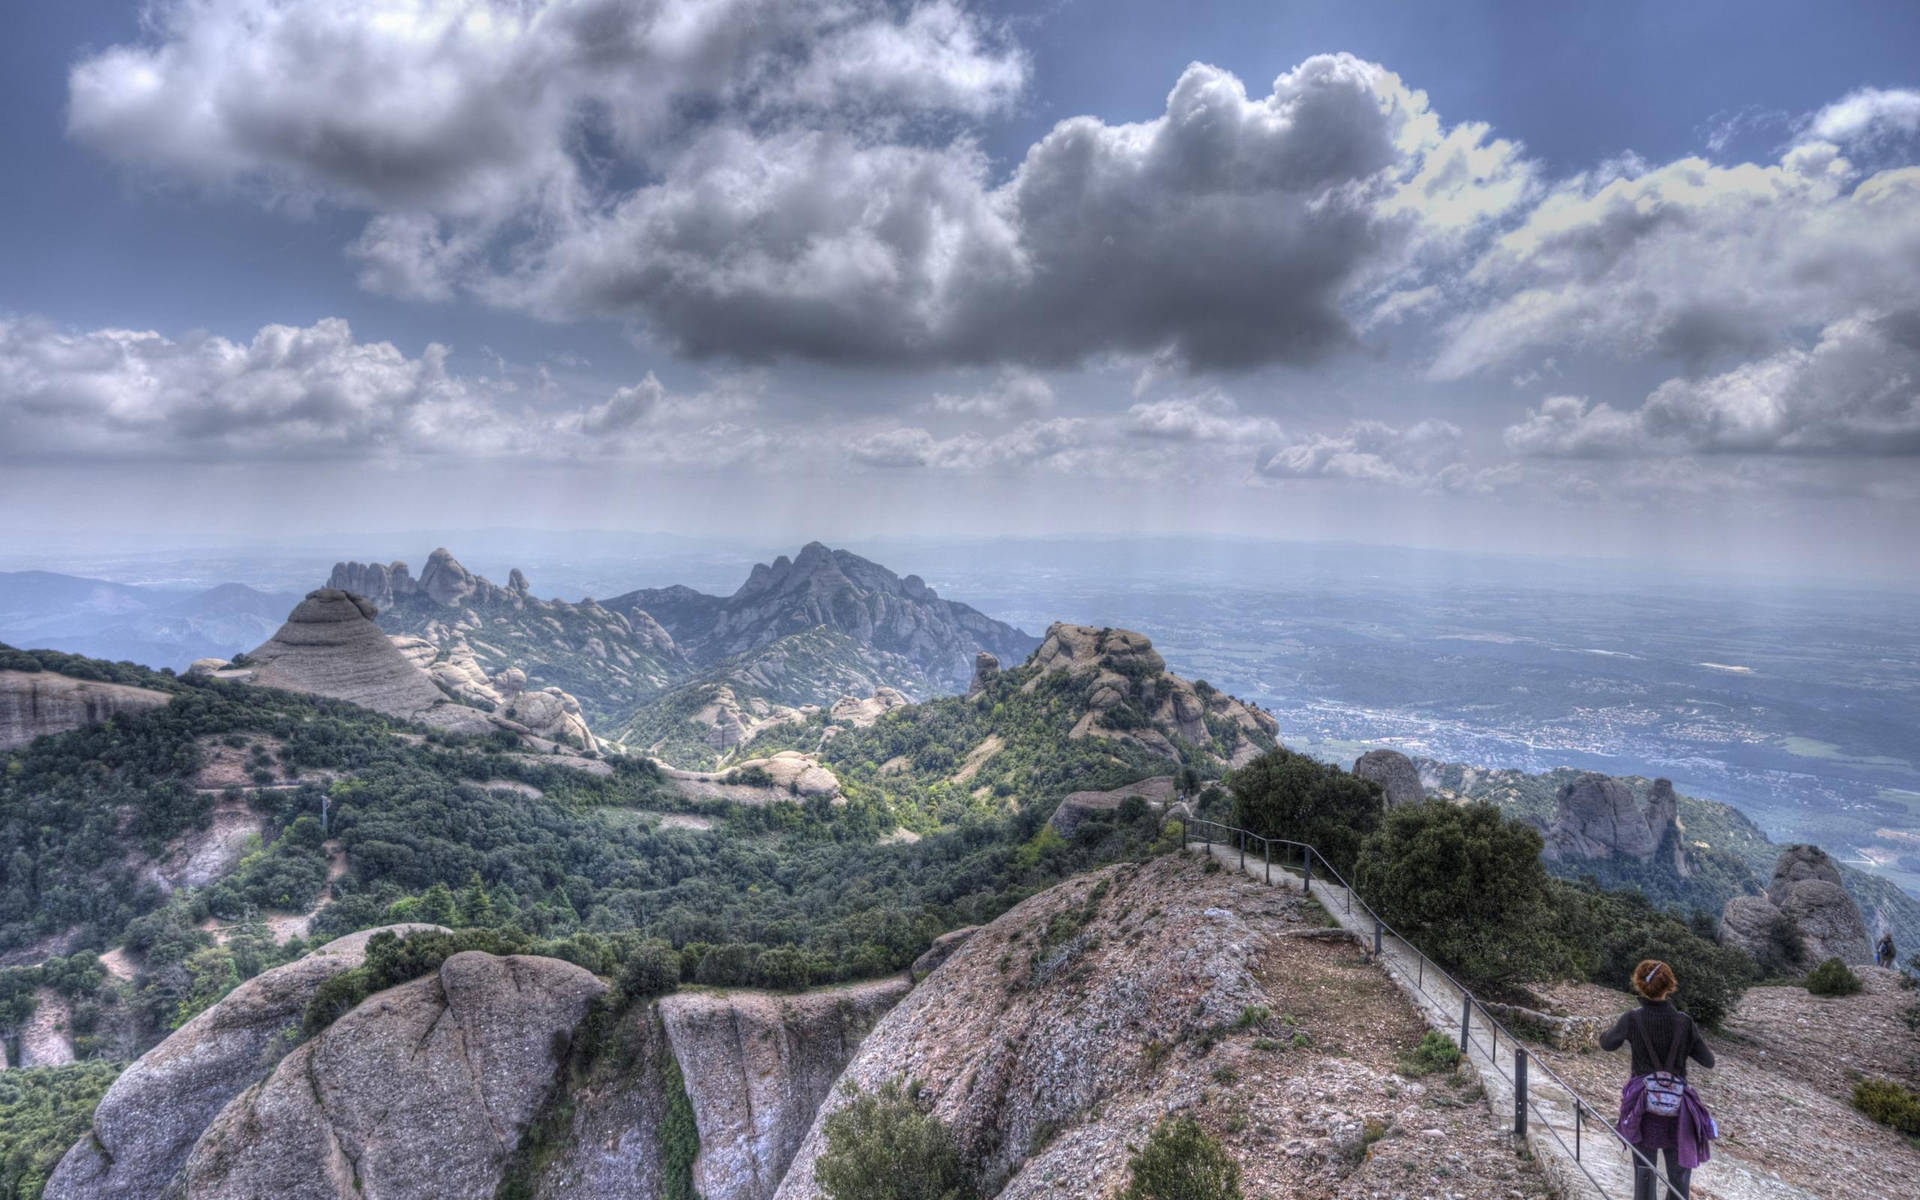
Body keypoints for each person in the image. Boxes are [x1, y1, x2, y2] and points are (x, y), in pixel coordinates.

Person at [1600, 959, 1718, 1200]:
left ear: (1640, 985)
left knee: (1644, 1170)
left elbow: (1607, 1044)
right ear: (1669, 985)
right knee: (1679, 1175)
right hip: (1678, 1110)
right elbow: (1708, 1061)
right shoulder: (1684, 1022)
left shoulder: (1632, 1019)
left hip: (1643, 1106)